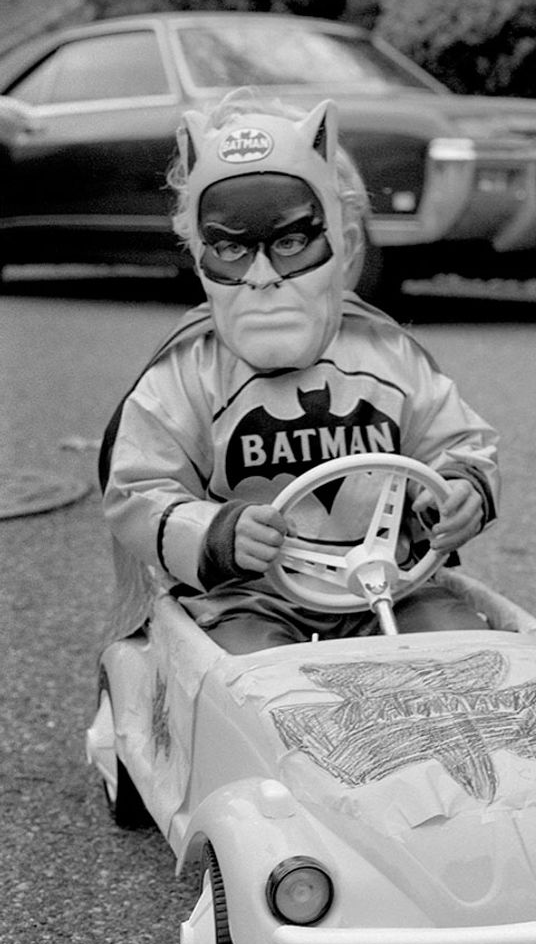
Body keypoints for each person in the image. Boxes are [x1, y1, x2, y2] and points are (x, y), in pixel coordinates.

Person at [100, 89, 500, 653]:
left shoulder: (390, 358)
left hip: (394, 587)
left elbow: (459, 441)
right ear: (199, 254)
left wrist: (462, 490)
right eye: (233, 251)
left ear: (345, 244)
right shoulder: (186, 375)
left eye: (290, 242)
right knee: (251, 685)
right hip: (246, 599)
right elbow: (138, 491)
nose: (263, 277)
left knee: (465, 653)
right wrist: (212, 534)